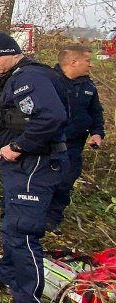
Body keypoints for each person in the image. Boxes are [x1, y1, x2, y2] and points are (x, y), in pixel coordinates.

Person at [0, 32, 69, 303]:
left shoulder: (30, 77)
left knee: (22, 233)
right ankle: (7, 273)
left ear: (11, 52)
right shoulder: (16, 76)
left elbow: (52, 117)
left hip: (34, 165)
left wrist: (18, 146)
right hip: (24, 166)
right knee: (12, 223)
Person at [51, 44, 106, 230]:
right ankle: (37, 219)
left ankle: (53, 220)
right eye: (87, 61)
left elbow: (96, 112)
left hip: (74, 145)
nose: (90, 65)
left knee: (66, 181)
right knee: (46, 182)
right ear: (73, 62)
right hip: (49, 144)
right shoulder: (49, 82)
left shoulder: (88, 85)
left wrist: (97, 133)